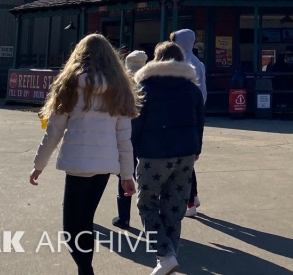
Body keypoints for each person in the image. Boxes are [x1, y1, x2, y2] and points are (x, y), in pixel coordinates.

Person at [29, 34, 137, 275]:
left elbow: (53, 132)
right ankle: (85, 269)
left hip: (77, 164)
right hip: (105, 166)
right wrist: (127, 175)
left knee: (71, 226)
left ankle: (85, 269)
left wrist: (39, 164)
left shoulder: (69, 85)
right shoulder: (119, 89)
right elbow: (124, 139)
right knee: (86, 220)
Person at [132, 41, 204, 275]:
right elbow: (199, 124)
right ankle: (170, 256)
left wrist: (131, 152)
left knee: (147, 204)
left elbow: (136, 125)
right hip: (186, 154)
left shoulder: (144, 87)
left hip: (153, 155)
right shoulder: (192, 89)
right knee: (174, 208)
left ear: (156, 58)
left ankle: (165, 255)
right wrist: (197, 148)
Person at [169, 29, 206, 218]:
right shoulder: (198, 62)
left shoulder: (184, 63)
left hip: (184, 116)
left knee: (183, 163)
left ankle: (190, 202)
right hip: (194, 115)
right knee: (189, 160)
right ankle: (195, 195)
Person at [112, 49, 148, 230]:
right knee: (144, 178)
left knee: (124, 176)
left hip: (125, 136)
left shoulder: (121, 85)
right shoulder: (149, 85)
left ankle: (124, 218)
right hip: (145, 138)